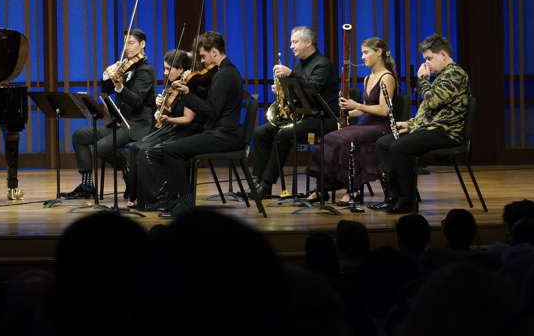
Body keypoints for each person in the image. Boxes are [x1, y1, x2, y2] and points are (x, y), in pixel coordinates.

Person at [136, 31, 245, 217]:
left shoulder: (225, 75)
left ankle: (184, 203)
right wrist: (189, 90)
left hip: (224, 136)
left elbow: (211, 111)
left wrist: (187, 94)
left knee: (171, 150)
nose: (201, 61)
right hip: (218, 132)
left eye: (203, 56)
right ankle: (174, 200)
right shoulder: (223, 72)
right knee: (170, 148)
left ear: (215, 52)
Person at [375, 33, 470, 214]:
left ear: (443, 55)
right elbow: (428, 110)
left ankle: (407, 202)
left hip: (446, 132)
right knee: (383, 143)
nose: (427, 64)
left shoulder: (455, 74)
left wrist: (423, 80)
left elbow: (432, 101)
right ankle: (392, 197)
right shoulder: (442, 75)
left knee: (399, 147)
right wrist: (410, 125)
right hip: (431, 128)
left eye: (429, 59)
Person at [63, 29, 155, 200]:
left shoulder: (145, 71)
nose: (126, 47)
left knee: (103, 146)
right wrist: (106, 76)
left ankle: (127, 170)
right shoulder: (126, 67)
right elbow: (106, 91)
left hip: (137, 125)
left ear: (142, 44)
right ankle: (87, 184)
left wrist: (120, 87)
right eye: (125, 43)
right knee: (79, 135)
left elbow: (136, 101)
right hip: (121, 123)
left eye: (131, 43)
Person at [252, 26, 339, 198]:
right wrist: (282, 89)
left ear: (308, 43)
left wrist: (291, 74)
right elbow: (297, 95)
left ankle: (266, 184)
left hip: (323, 119)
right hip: (304, 117)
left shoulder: (322, 64)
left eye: (295, 42)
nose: (291, 46)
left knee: (284, 134)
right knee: (261, 132)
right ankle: (260, 181)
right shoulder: (300, 66)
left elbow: (312, 91)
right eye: (291, 42)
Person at [311, 37, 397, 204]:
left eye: (366, 52)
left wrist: (355, 104)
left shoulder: (387, 77)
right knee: (330, 137)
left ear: (378, 53)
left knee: (344, 138)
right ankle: (323, 188)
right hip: (367, 125)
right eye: (362, 53)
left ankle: (354, 190)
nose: (362, 57)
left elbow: (383, 110)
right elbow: (365, 108)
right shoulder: (367, 78)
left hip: (381, 126)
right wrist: (347, 114)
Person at [123, 49, 205, 209]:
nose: (165, 73)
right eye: (165, 68)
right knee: (134, 147)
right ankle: (137, 196)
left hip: (182, 132)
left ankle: (158, 197)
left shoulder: (190, 88)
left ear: (181, 69)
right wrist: (160, 105)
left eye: (169, 69)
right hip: (170, 128)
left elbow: (187, 119)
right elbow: (168, 111)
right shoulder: (174, 87)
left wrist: (168, 118)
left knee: (144, 150)